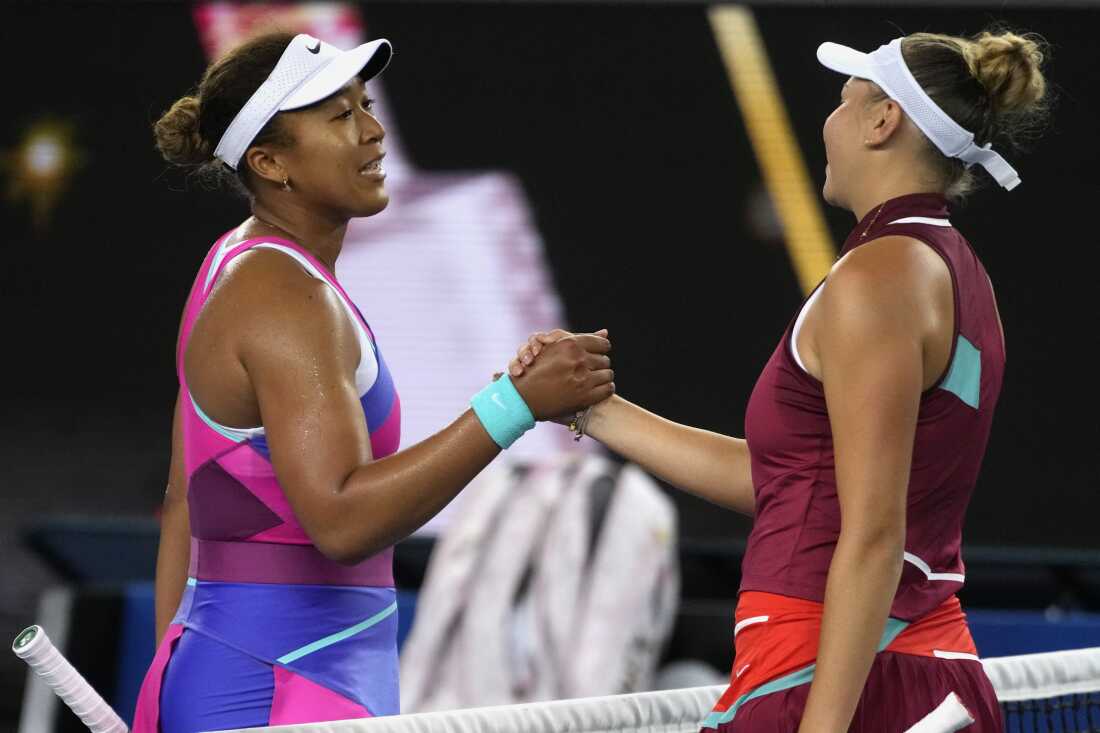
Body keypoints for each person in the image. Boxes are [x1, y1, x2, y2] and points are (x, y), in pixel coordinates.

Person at [513, 29, 1048, 732]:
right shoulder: (957, 275)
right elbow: (795, 480)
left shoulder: (879, 278)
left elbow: (874, 535)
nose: (830, 120)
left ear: (883, 121)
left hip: (825, 675)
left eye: (844, 100)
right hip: (920, 673)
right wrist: (593, 409)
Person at [132, 32, 614, 733]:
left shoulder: (238, 264)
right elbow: (342, 522)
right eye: (339, 116)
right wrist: (514, 405)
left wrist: (173, 675)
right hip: (282, 689)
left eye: (366, 105)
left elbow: (186, 500)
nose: (372, 131)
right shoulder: (281, 295)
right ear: (270, 163)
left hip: (257, 676)